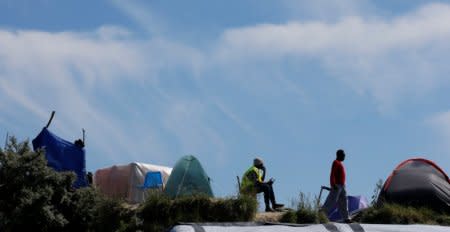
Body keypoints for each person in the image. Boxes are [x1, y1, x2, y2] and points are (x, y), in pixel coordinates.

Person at [321, 149, 352, 223]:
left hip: (342, 186)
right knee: (331, 201)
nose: (344, 156)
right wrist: (333, 184)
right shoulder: (336, 162)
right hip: (337, 185)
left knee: (344, 202)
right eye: (343, 155)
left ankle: (346, 218)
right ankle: (322, 215)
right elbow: (332, 174)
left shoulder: (340, 163)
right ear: (339, 155)